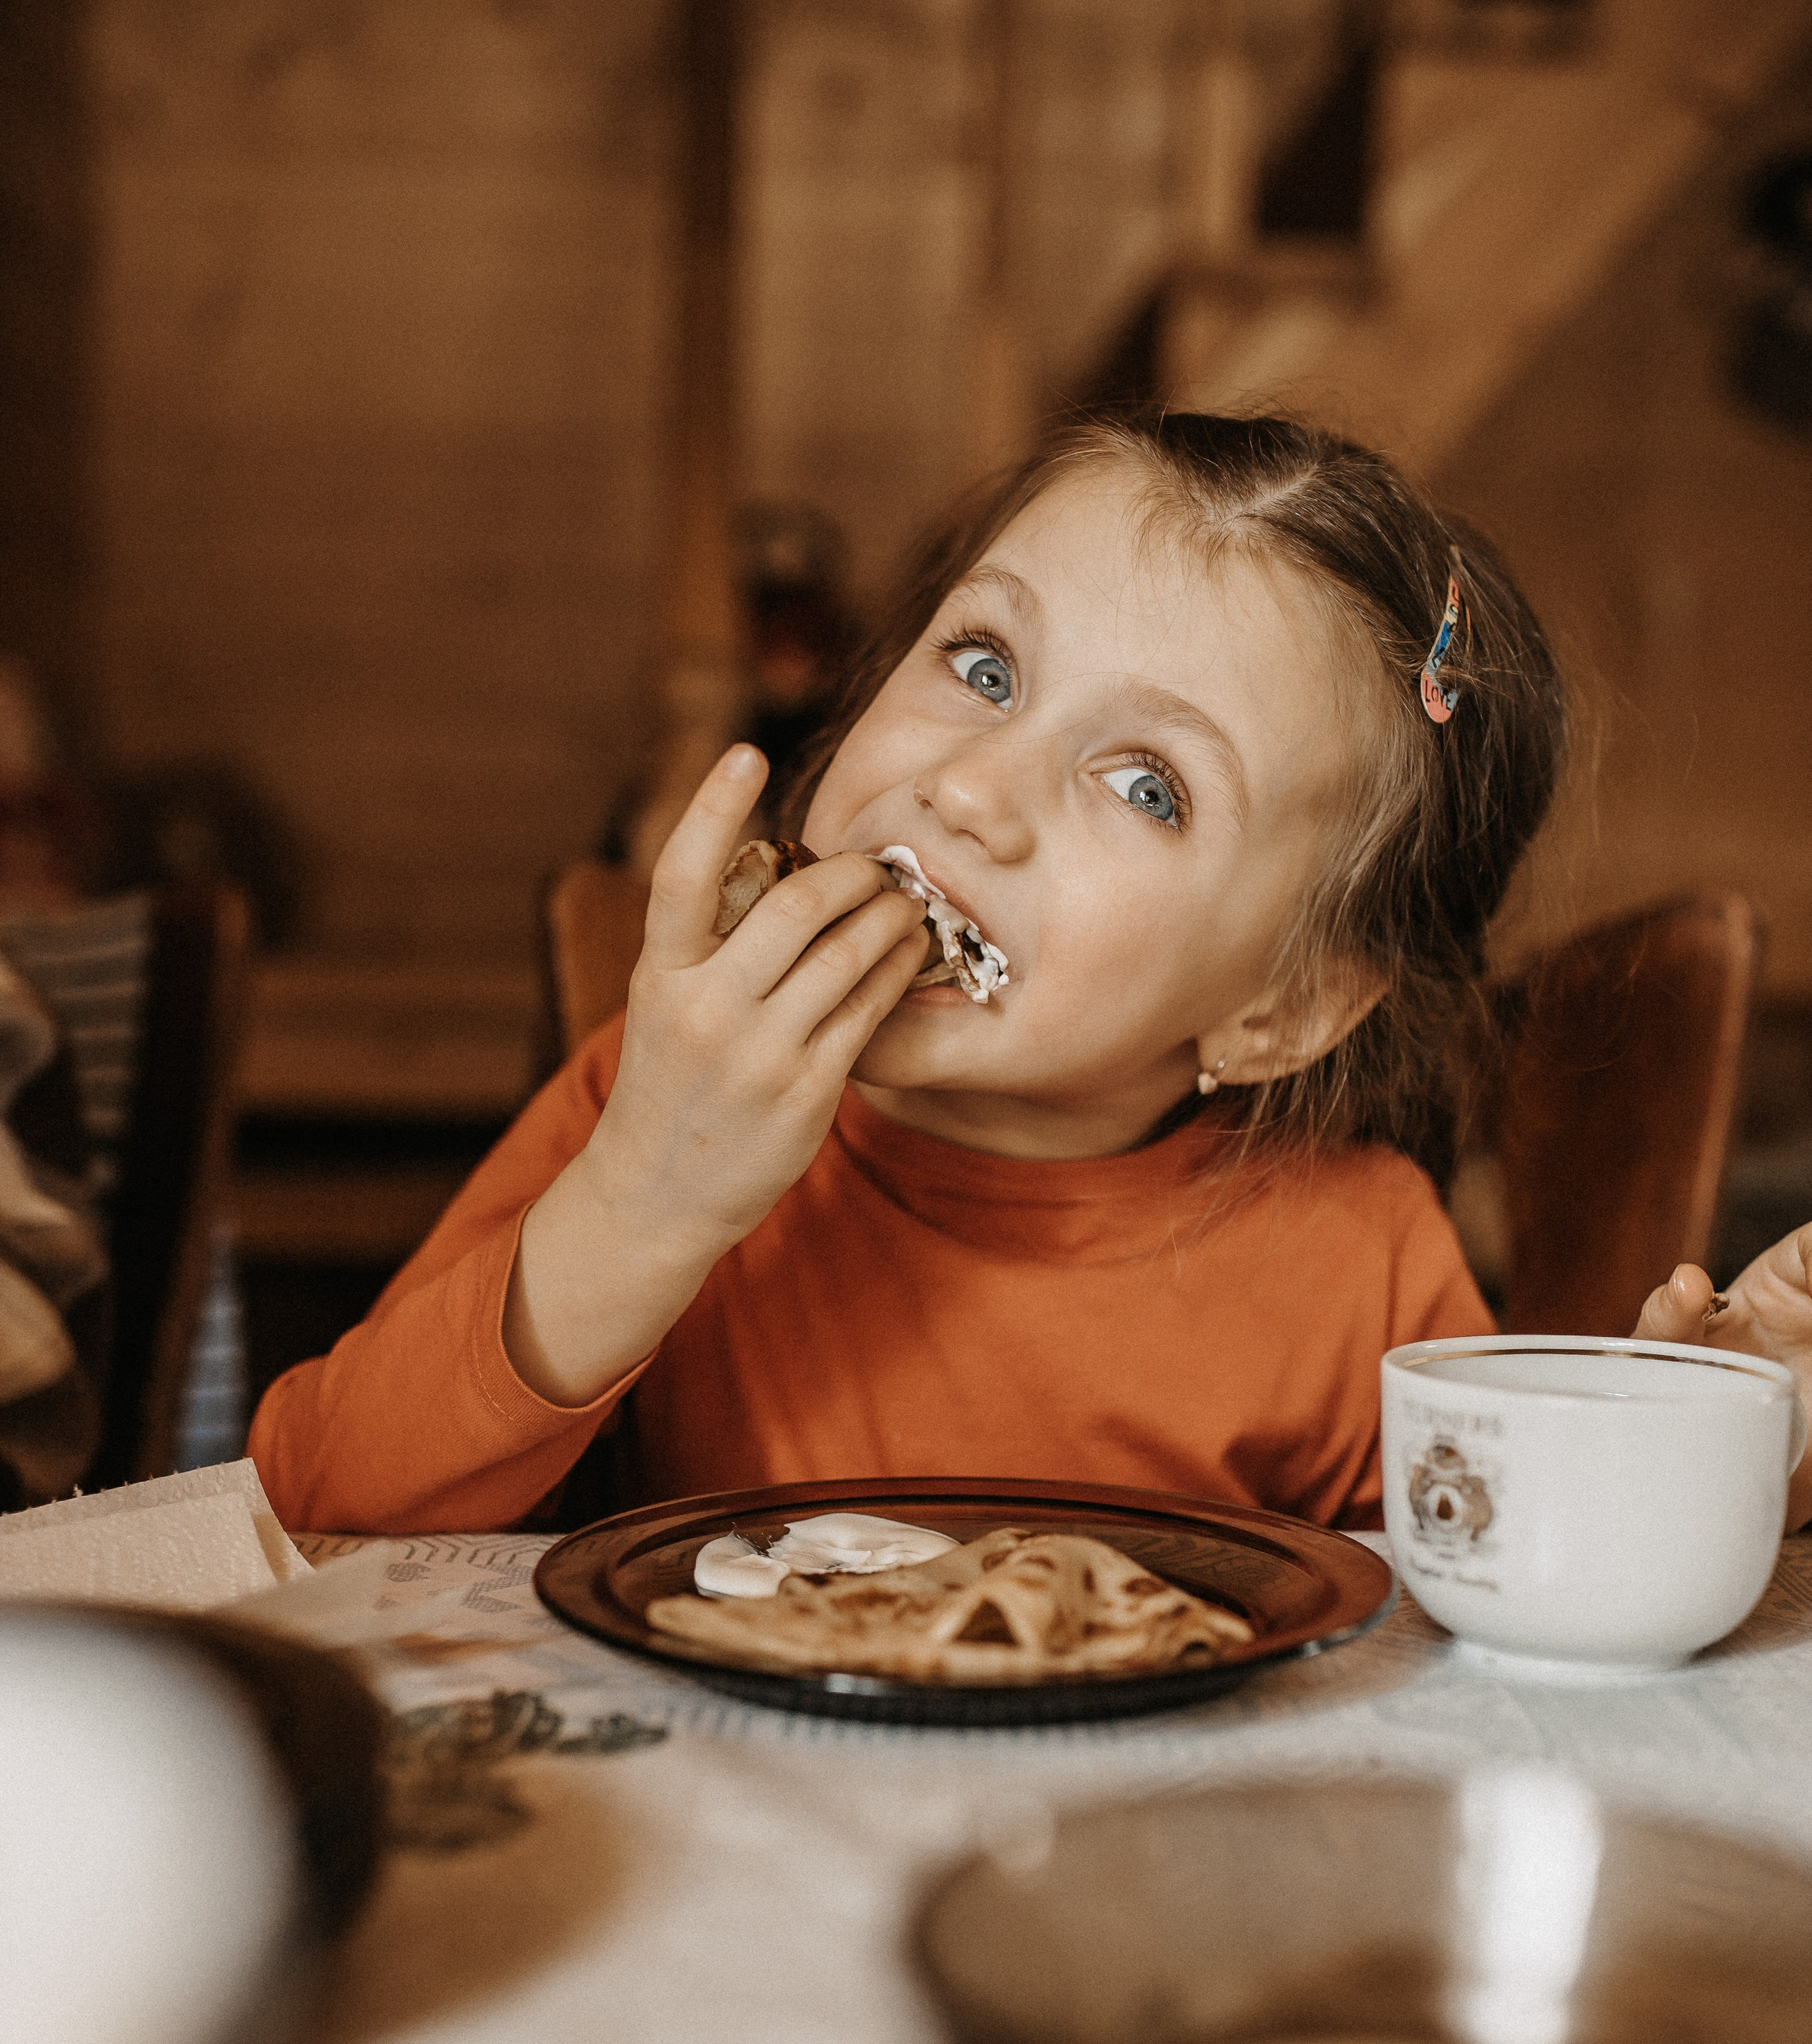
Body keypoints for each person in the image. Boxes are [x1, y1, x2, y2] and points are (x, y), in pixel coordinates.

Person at [248, 410, 1812, 1539]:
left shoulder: (1355, 1261)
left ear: (1277, 1010)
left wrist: (1709, 1445)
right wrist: (648, 1200)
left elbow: (1494, 1596)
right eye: (982, 667)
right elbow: (324, 1505)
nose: (972, 788)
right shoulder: (650, 1114)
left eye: (1146, 784)